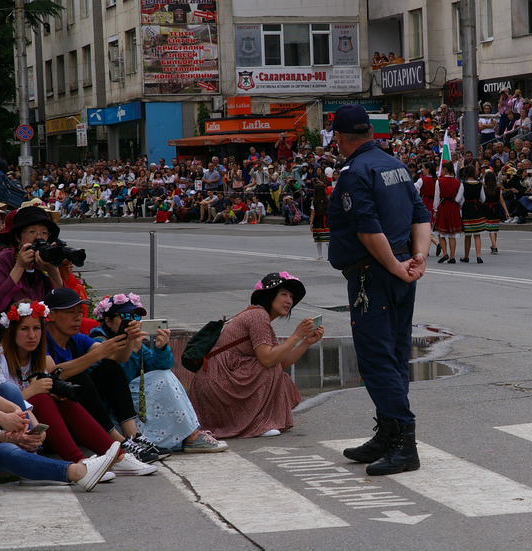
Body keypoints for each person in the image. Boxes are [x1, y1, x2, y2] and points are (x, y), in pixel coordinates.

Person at [327, 104, 431, 476]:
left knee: (376, 359)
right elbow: (421, 214)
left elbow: (368, 228)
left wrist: (393, 266)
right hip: (401, 268)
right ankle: (387, 433)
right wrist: (416, 258)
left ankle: (404, 443)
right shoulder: (395, 165)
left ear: (338, 137)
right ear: (370, 131)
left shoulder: (356, 172)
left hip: (376, 273)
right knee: (395, 352)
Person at [0, 300, 155, 476]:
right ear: (12, 331)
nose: (32, 335)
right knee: (41, 398)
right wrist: (34, 391)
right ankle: (80, 462)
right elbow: (0, 403)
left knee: (63, 398)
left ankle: (118, 457)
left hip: (36, 428)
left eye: (37, 329)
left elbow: (118, 358)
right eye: (25, 329)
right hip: (7, 426)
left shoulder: (37, 356)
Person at [187, 272, 323, 438]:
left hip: (217, 381)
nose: (289, 301)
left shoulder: (259, 316)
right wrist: (296, 335)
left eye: (291, 296)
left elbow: (280, 362)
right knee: (269, 367)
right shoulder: (258, 316)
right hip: (218, 382)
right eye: (284, 294)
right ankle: (260, 424)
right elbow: (268, 360)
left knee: (274, 368)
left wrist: (305, 342)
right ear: (269, 295)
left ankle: (260, 421)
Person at [90, 293, 228, 453]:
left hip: (133, 403)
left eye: (136, 317)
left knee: (164, 375)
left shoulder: (133, 340)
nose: (132, 321)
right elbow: (114, 378)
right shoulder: (98, 342)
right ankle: (189, 436)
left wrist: (161, 348)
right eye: (125, 316)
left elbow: (159, 366)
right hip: (114, 412)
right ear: (107, 320)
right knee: (161, 379)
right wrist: (132, 350)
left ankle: (191, 433)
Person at [0, 206, 65, 314]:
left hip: (41, 325)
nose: (38, 238)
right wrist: (19, 266)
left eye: (44, 233)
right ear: (18, 237)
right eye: (32, 232)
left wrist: (53, 270)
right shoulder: (1, 260)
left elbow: (63, 304)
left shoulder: (44, 262)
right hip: (7, 325)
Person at [310, 183, 330, 260]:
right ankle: (329, 256)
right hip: (326, 219)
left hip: (318, 220)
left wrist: (311, 223)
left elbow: (313, 212)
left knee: (318, 239)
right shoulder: (327, 200)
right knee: (328, 239)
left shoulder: (314, 201)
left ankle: (320, 255)